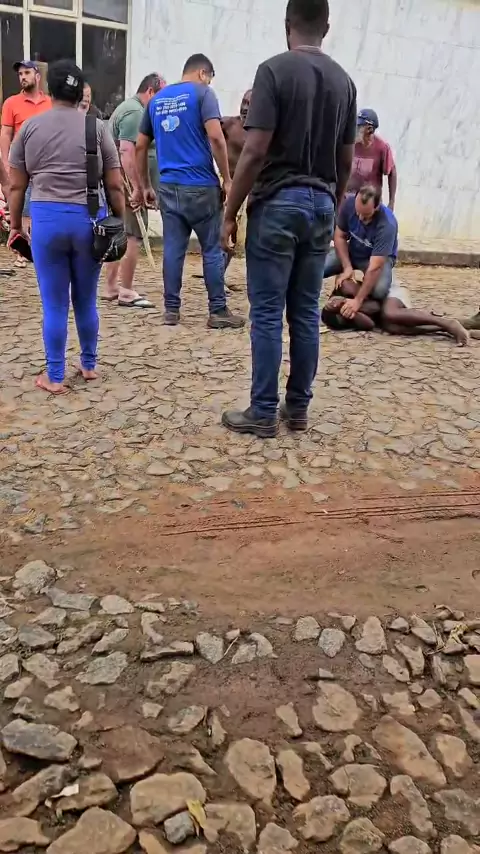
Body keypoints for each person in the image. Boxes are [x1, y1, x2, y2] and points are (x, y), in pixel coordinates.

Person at [220, 0, 357, 438]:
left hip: (278, 203)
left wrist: (229, 213)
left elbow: (255, 151)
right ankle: (297, 409)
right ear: (326, 27)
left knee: (266, 312)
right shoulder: (345, 82)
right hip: (321, 204)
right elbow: (346, 160)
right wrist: (332, 203)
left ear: (287, 24)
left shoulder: (273, 71)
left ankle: (263, 410)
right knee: (305, 312)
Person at [7, 59, 124, 395]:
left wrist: (15, 225)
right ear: (80, 92)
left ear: (50, 89)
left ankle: (55, 376)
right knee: (86, 300)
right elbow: (114, 184)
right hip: (89, 221)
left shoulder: (30, 128)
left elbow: (17, 186)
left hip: (47, 221)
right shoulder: (96, 128)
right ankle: (88, 365)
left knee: (55, 303)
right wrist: (118, 220)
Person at [135, 53, 244, 329]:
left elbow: (140, 145)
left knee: (173, 248)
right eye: (209, 78)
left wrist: (145, 185)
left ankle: (171, 310)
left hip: (168, 186)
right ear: (203, 73)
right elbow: (216, 136)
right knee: (212, 248)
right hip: (201, 186)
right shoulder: (203, 94)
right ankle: (217, 310)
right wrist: (227, 179)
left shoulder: (157, 100)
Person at [106, 73, 166, 308]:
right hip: (128, 185)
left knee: (121, 233)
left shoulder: (131, 108)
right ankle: (126, 290)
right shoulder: (135, 112)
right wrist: (137, 188)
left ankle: (112, 287)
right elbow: (126, 151)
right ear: (150, 91)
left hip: (122, 183)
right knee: (133, 235)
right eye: (160, 95)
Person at [1, 60, 52, 266]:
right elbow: (6, 133)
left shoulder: (50, 102)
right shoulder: (11, 103)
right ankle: (22, 250)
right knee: (21, 204)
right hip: (21, 161)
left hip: (46, 163)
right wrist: (5, 161)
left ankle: (40, 247)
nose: (23, 77)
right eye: (20, 74)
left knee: (43, 205)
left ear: (37, 76)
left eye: (27, 73)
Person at [323, 185, 399, 317]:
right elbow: (339, 236)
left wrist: (358, 300)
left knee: (380, 291)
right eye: (358, 212)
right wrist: (347, 267)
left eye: (366, 215)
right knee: (320, 267)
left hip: (377, 259)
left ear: (377, 207)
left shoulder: (387, 224)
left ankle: (359, 294)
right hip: (354, 250)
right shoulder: (349, 204)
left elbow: (375, 267)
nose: (360, 218)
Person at [321, 278, 469, 345]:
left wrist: (351, 302)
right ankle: (444, 328)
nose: (335, 303)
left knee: (390, 313)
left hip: (390, 292)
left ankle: (447, 323)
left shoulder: (345, 286)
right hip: (385, 312)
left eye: (332, 302)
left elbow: (376, 304)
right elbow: (370, 324)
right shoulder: (346, 315)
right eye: (336, 308)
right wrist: (351, 312)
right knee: (392, 327)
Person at [221, 89, 252, 277]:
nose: (245, 108)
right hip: (228, 187)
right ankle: (217, 276)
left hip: (249, 190)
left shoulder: (261, 132)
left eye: (250, 103)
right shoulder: (229, 124)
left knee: (239, 237)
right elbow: (208, 130)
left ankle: (219, 275)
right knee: (225, 232)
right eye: (244, 102)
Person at [347, 108, 397, 210]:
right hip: (348, 200)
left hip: (369, 203)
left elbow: (392, 172)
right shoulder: (350, 144)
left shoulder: (382, 147)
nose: (355, 130)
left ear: (370, 129)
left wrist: (391, 202)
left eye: (359, 127)